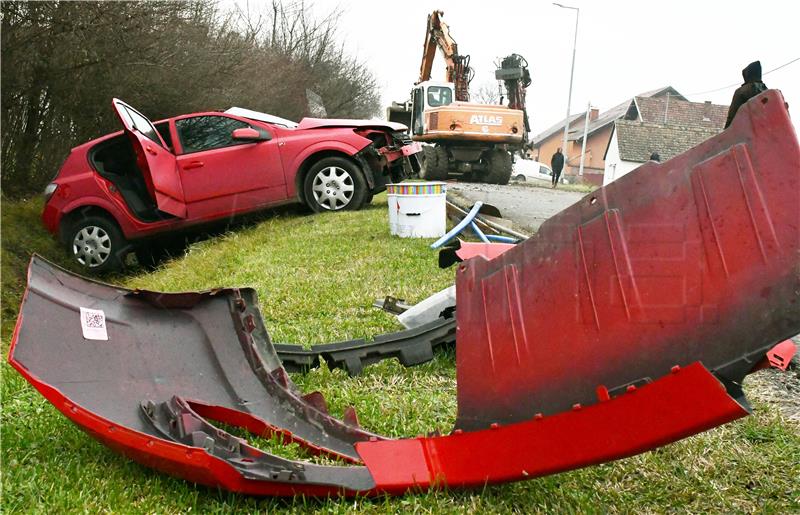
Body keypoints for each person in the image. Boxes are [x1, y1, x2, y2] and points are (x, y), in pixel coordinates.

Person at [725, 61, 768, 128]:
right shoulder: (767, 92)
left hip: (744, 132)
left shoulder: (741, 91)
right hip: (765, 131)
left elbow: (732, 115)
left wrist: (726, 133)